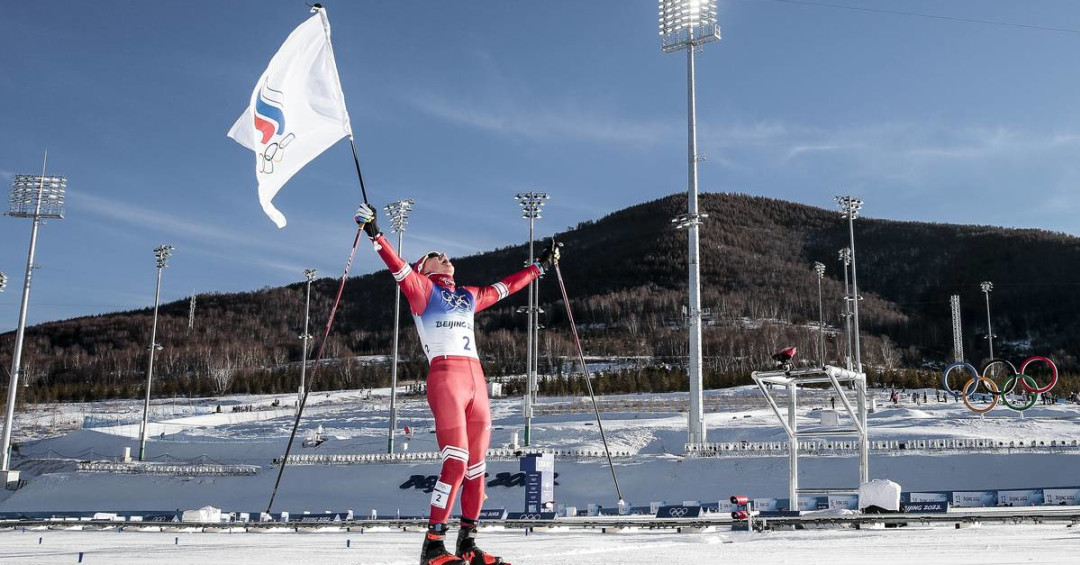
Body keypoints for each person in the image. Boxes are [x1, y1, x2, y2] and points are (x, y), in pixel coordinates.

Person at [354, 203, 559, 565]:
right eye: (435, 255)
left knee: (478, 466)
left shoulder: (466, 295)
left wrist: (540, 266)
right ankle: (433, 545)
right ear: (425, 268)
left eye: (444, 253)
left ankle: (468, 542)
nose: (444, 255)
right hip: (447, 378)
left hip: (477, 382)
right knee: (457, 462)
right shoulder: (421, 290)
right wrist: (375, 233)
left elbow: (507, 287)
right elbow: (398, 268)